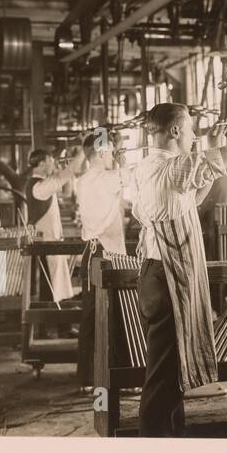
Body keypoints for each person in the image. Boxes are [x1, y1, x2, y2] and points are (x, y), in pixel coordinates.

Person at [128, 63, 227, 437]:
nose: (195, 135)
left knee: (170, 371)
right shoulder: (175, 168)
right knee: (162, 378)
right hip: (169, 279)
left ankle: (172, 443)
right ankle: (150, 452)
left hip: (153, 275)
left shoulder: (145, 168)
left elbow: (188, 200)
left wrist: (209, 166)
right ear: (176, 130)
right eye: (191, 130)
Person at [74, 130, 134, 388]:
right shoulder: (104, 178)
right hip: (107, 254)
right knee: (122, 314)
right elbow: (128, 176)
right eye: (109, 151)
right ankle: (128, 376)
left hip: (94, 252)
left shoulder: (84, 180)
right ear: (100, 152)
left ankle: (88, 379)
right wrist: (122, 156)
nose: (113, 156)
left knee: (91, 317)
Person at [25, 148, 78, 303]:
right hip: (46, 241)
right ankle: (53, 323)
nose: (53, 163)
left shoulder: (43, 184)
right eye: (50, 161)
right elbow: (65, 176)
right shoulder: (39, 186)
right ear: (41, 163)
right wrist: (72, 163)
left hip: (52, 238)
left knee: (56, 284)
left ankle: (59, 323)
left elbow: (67, 192)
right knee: (49, 284)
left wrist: (61, 170)